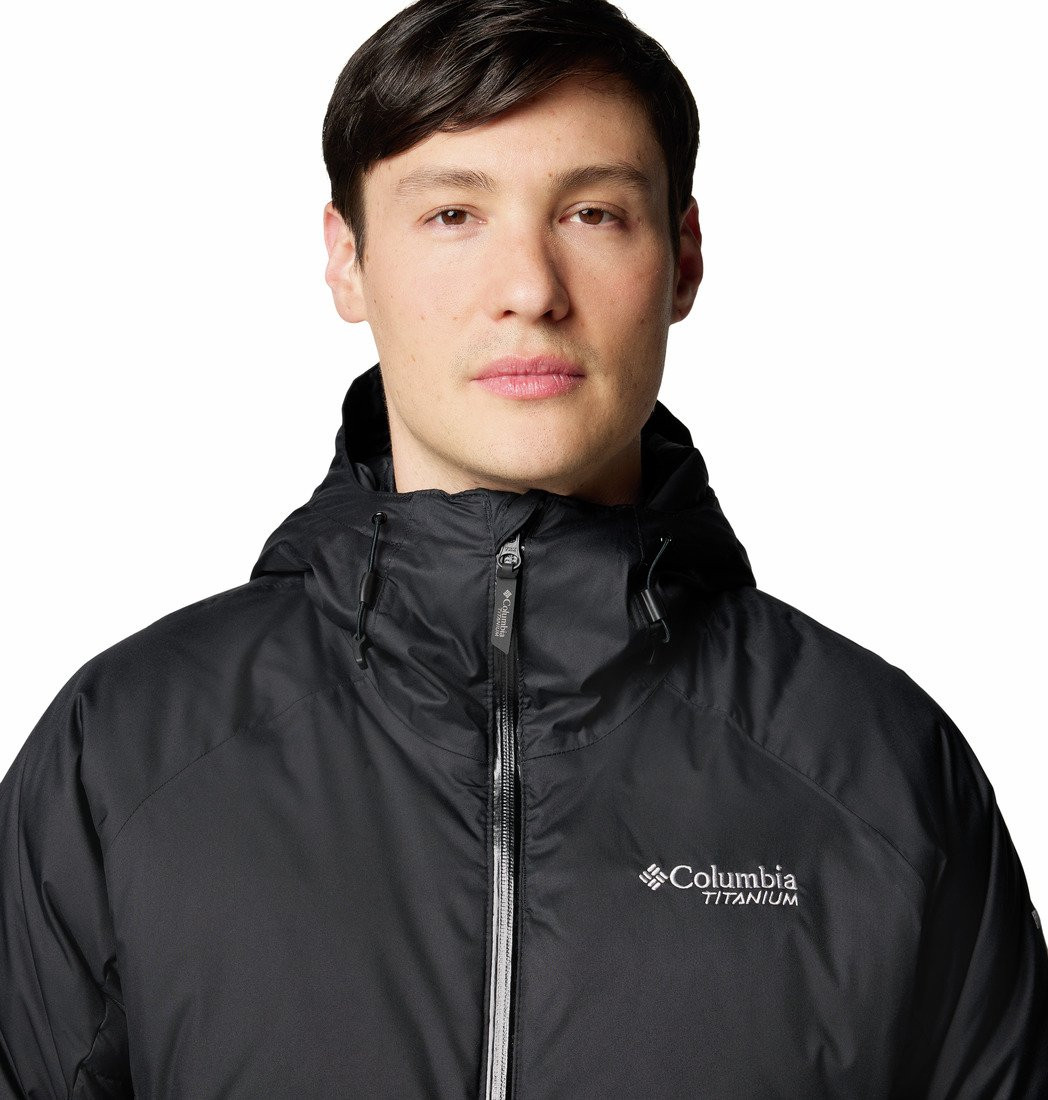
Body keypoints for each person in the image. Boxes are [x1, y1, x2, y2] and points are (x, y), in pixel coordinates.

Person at [2, 0, 1046, 1095]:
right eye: (453, 214)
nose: (531, 290)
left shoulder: (876, 768)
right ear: (347, 259)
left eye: (593, 213)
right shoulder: (123, 755)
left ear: (683, 258)